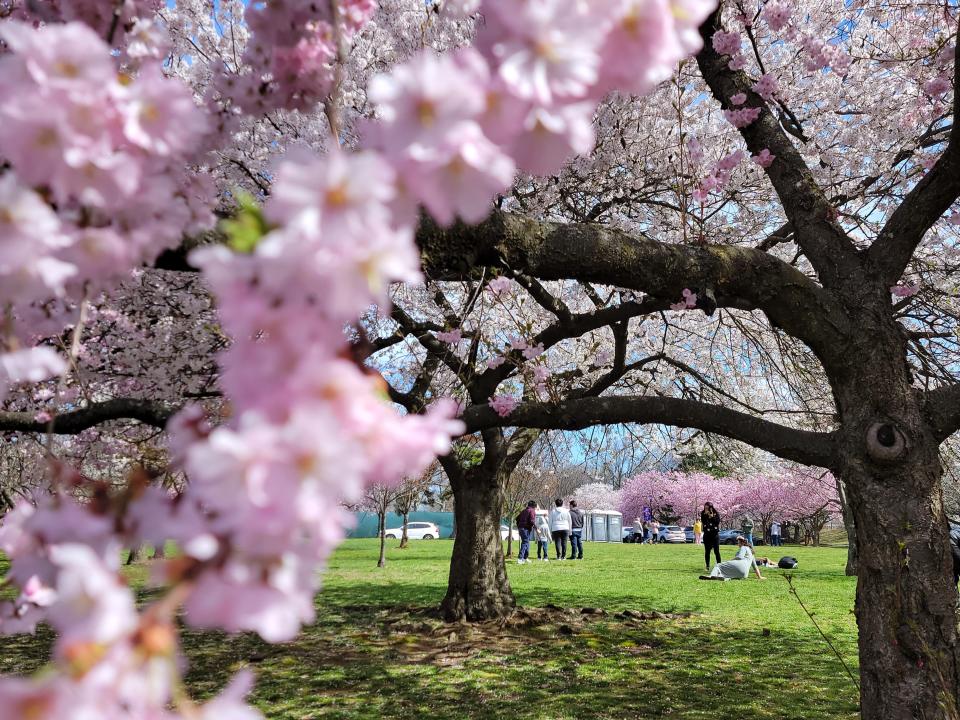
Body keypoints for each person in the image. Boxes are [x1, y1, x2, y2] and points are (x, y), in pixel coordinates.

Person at [700, 536, 764, 580]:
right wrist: (760, 577)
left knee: (718, 565)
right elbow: (755, 567)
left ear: (742, 543)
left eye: (738, 543)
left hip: (739, 565)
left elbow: (739, 557)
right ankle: (723, 578)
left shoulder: (743, 547)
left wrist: (731, 560)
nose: (737, 544)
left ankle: (711, 576)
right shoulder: (751, 554)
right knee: (729, 572)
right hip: (744, 574)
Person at [701, 502, 721, 571]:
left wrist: (712, 517)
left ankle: (719, 566)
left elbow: (717, 522)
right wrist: (706, 515)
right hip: (707, 535)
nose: (706, 509)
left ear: (711, 507)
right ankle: (707, 566)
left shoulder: (716, 513)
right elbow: (703, 522)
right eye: (705, 507)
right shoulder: (703, 513)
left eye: (707, 507)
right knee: (707, 551)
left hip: (715, 535)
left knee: (716, 551)